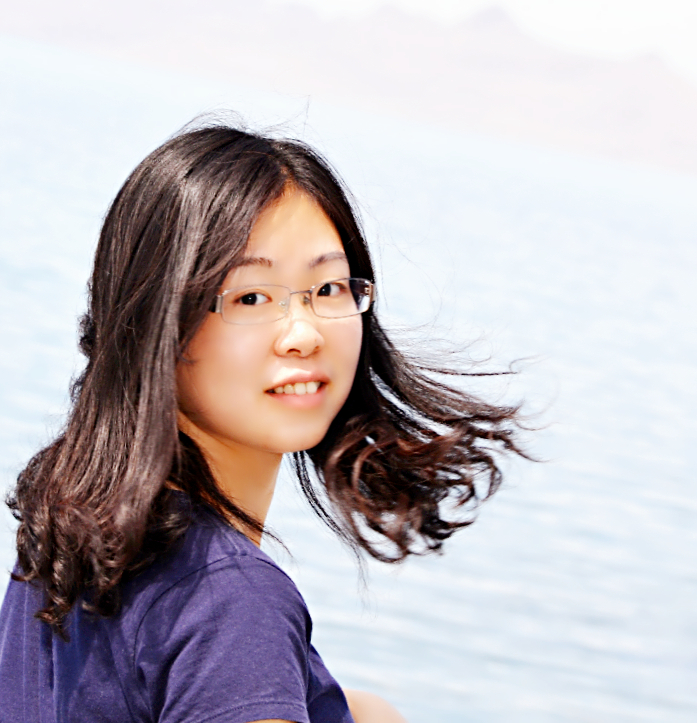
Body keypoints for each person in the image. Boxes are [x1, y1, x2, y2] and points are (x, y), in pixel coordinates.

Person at [0, 122, 526, 722]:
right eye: (251, 298)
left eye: (329, 287)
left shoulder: (70, 532)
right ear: (159, 324)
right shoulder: (233, 603)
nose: (304, 333)